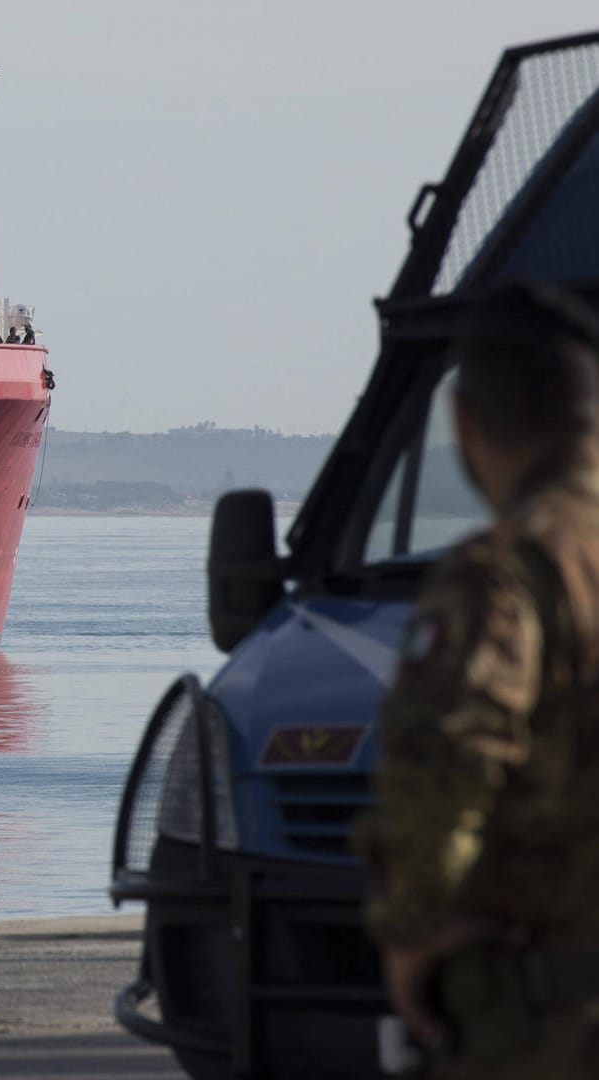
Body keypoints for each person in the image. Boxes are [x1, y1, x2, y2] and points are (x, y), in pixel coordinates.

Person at [360, 281, 599, 1077]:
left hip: (553, 1018)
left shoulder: (506, 577)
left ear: (465, 424)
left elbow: (446, 773)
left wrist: (414, 929)